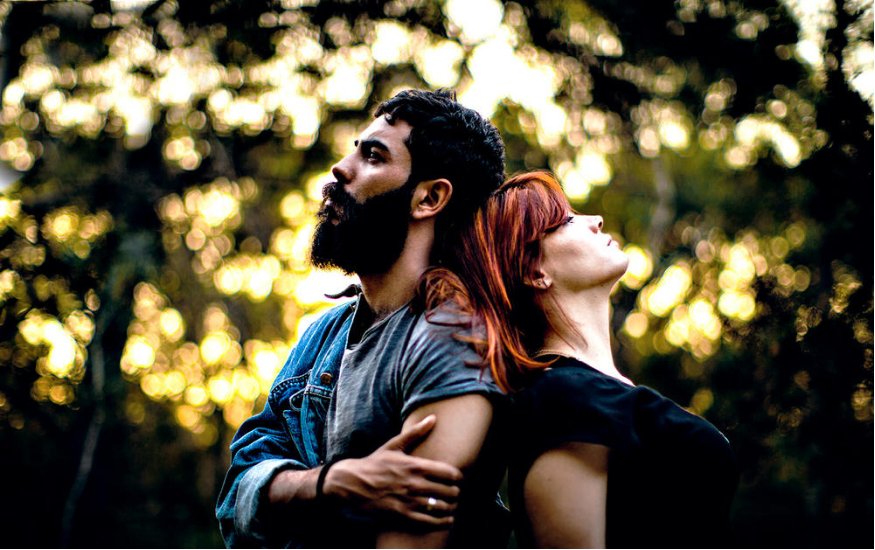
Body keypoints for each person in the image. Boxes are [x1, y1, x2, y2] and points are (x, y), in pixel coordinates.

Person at [215, 89, 509, 548]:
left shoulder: (456, 335)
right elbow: (235, 496)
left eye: (373, 156)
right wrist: (331, 484)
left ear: (429, 197)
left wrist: (292, 492)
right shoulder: (322, 335)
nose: (341, 168)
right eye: (355, 149)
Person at [421, 171, 737, 548]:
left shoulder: (593, 394)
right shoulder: (562, 396)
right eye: (566, 220)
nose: (596, 220)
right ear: (534, 271)